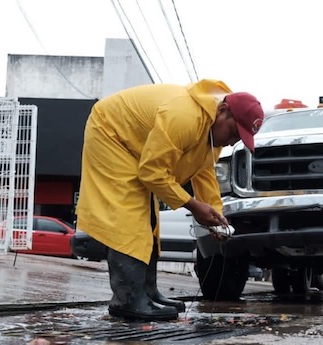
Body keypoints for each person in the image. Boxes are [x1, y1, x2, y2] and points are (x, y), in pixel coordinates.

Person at [76, 80, 263, 321]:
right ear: (222, 111)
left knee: (149, 216)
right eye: (234, 132)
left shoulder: (210, 135)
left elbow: (204, 176)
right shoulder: (184, 117)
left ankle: (148, 292)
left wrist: (215, 219)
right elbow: (152, 173)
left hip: (134, 145)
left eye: (240, 138)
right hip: (111, 133)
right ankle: (128, 299)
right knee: (128, 215)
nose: (232, 142)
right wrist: (193, 206)